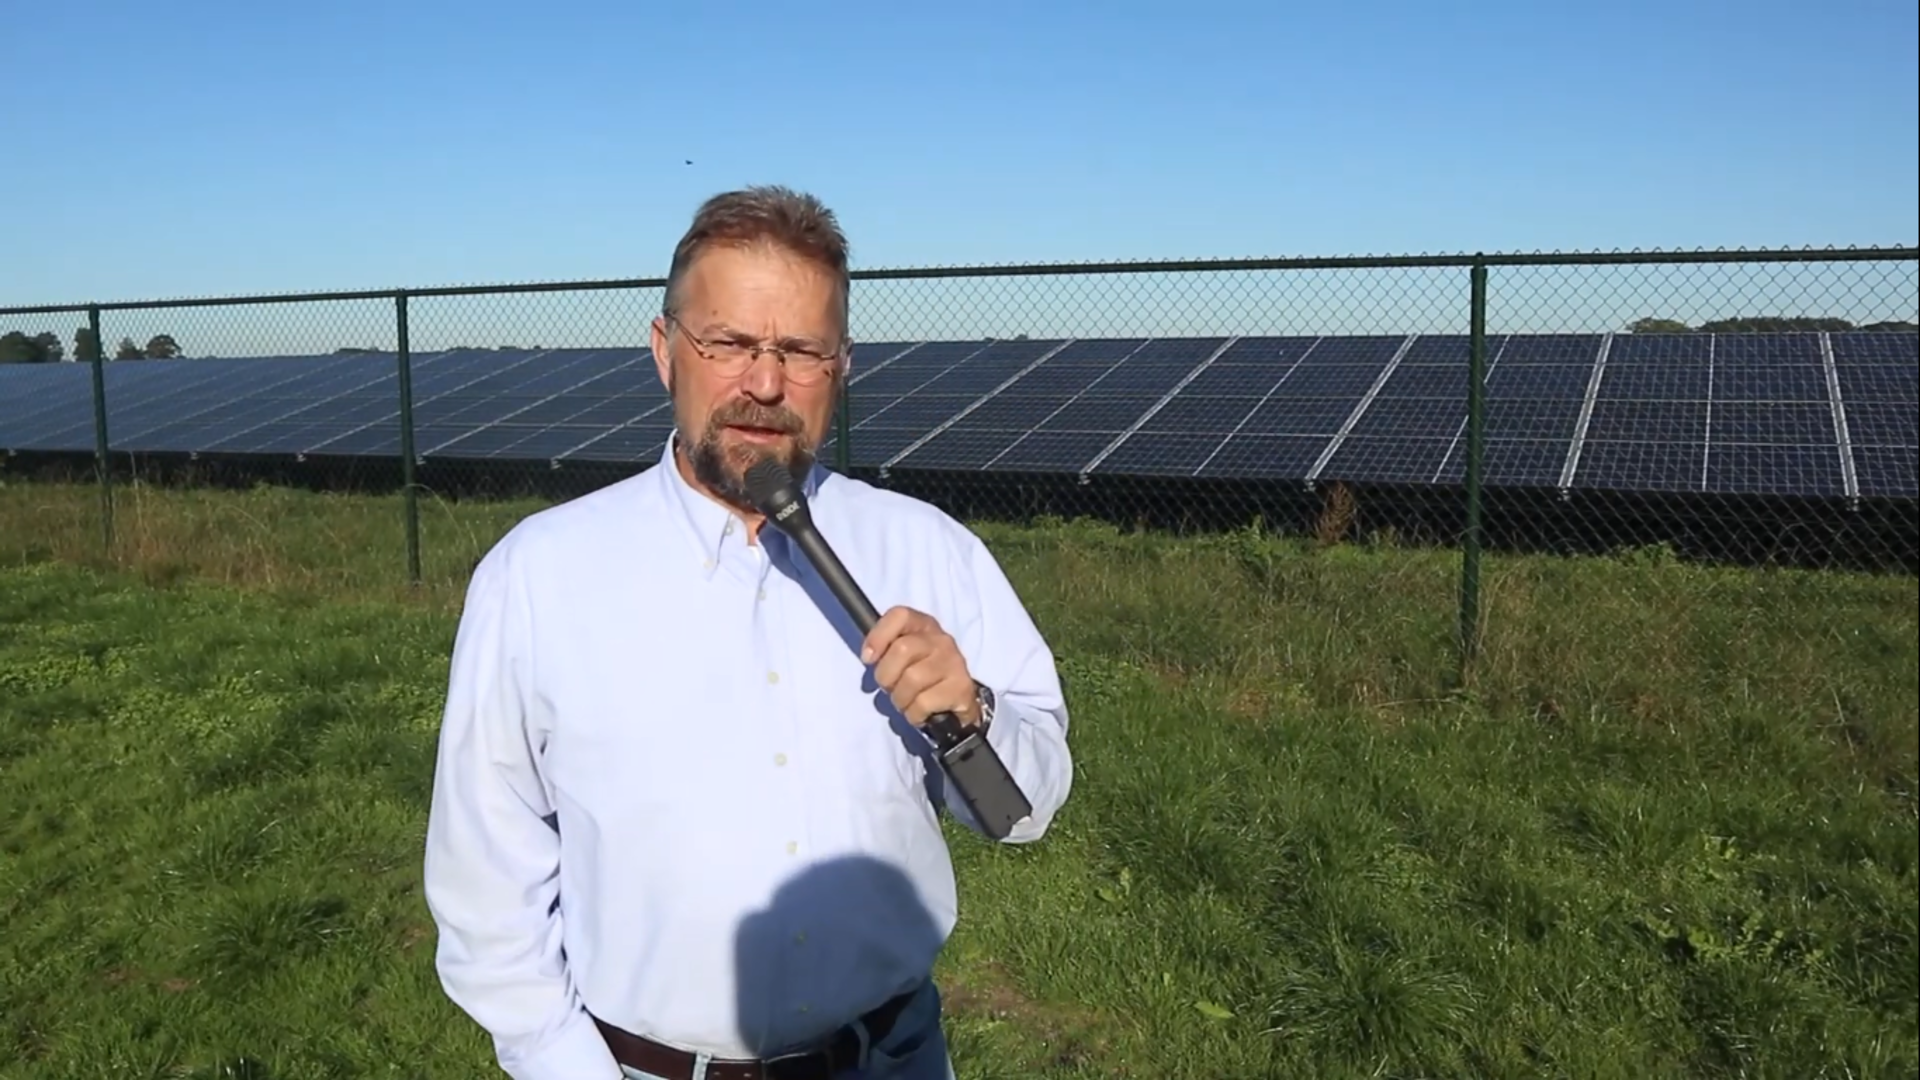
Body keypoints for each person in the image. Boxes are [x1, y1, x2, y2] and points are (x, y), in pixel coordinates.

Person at [421, 185, 1075, 1080]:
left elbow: (1026, 810)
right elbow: (485, 879)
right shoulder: (539, 577)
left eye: (800, 350)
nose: (764, 384)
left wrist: (975, 712)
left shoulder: (928, 551)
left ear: (840, 368)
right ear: (665, 351)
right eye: (727, 342)